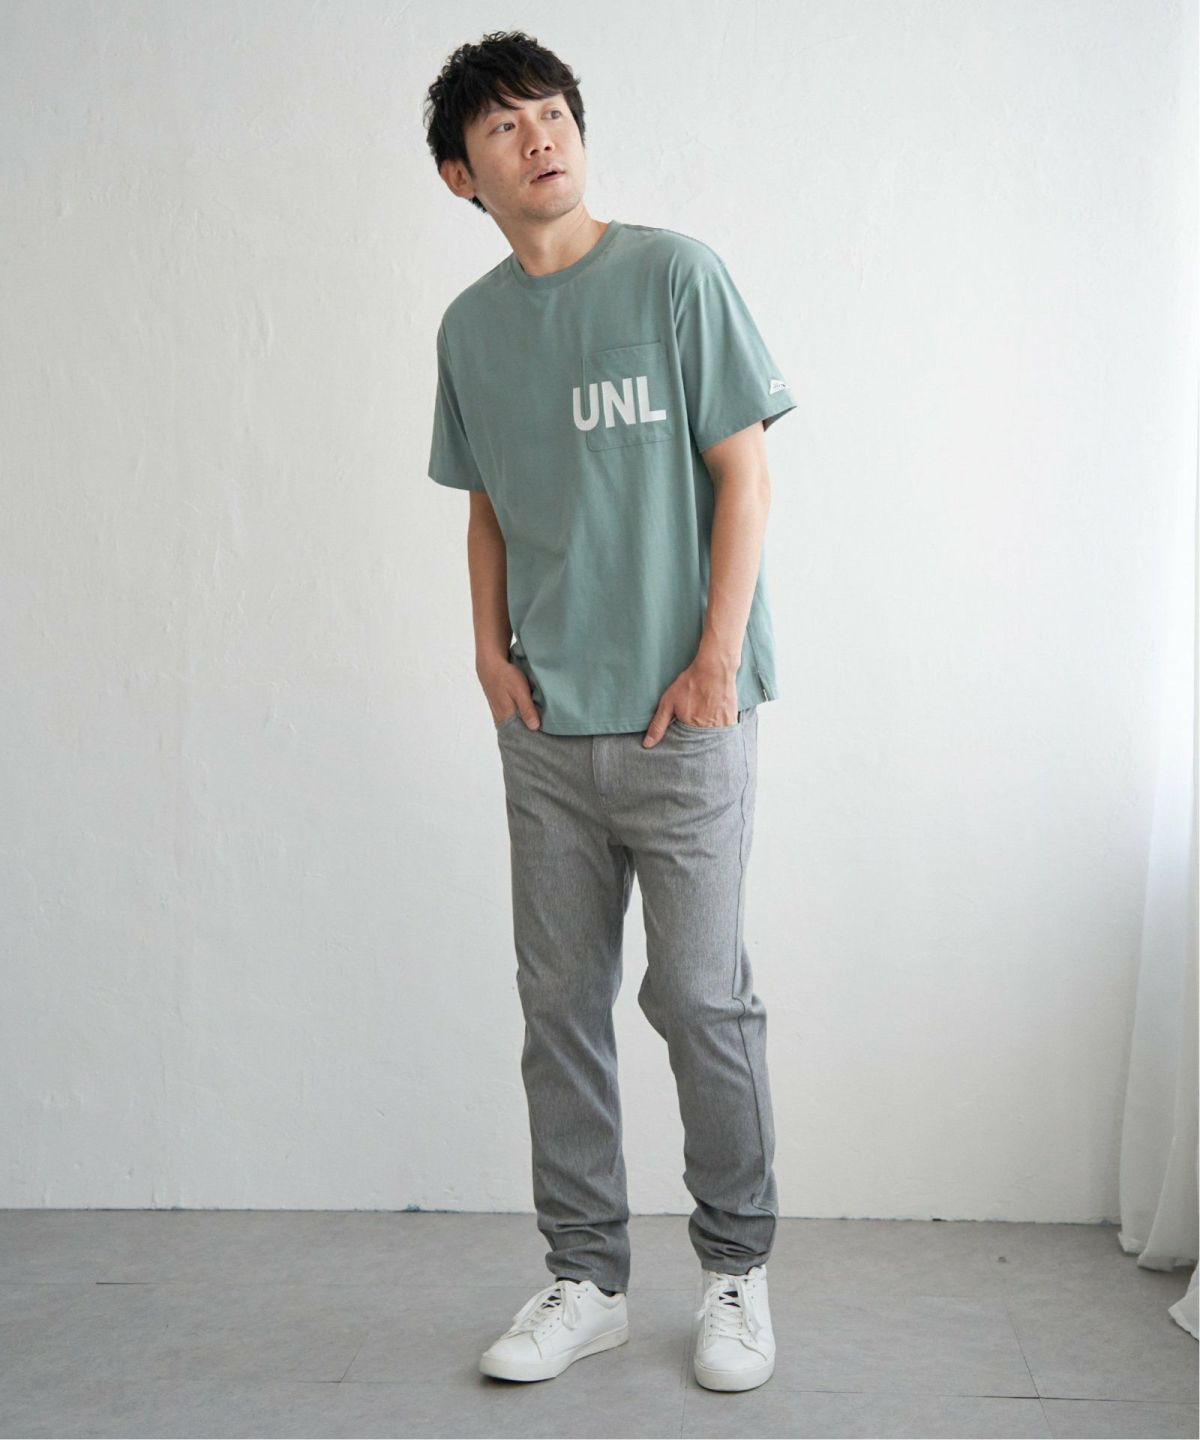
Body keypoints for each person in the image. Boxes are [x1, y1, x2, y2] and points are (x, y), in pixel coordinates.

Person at [422, 30, 796, 1393]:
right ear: (462, 176)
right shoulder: (470, 330)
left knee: (699, 999)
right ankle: (586, 1279)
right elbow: (486, 504)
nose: (538, 137)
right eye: (503, 127)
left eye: (551, 112)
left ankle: (737, 1272)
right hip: (545, 727)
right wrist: (488, 654)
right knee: (560, 1006)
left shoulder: (675, 276)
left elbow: (744, 475)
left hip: (685, 722)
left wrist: (713, 665)